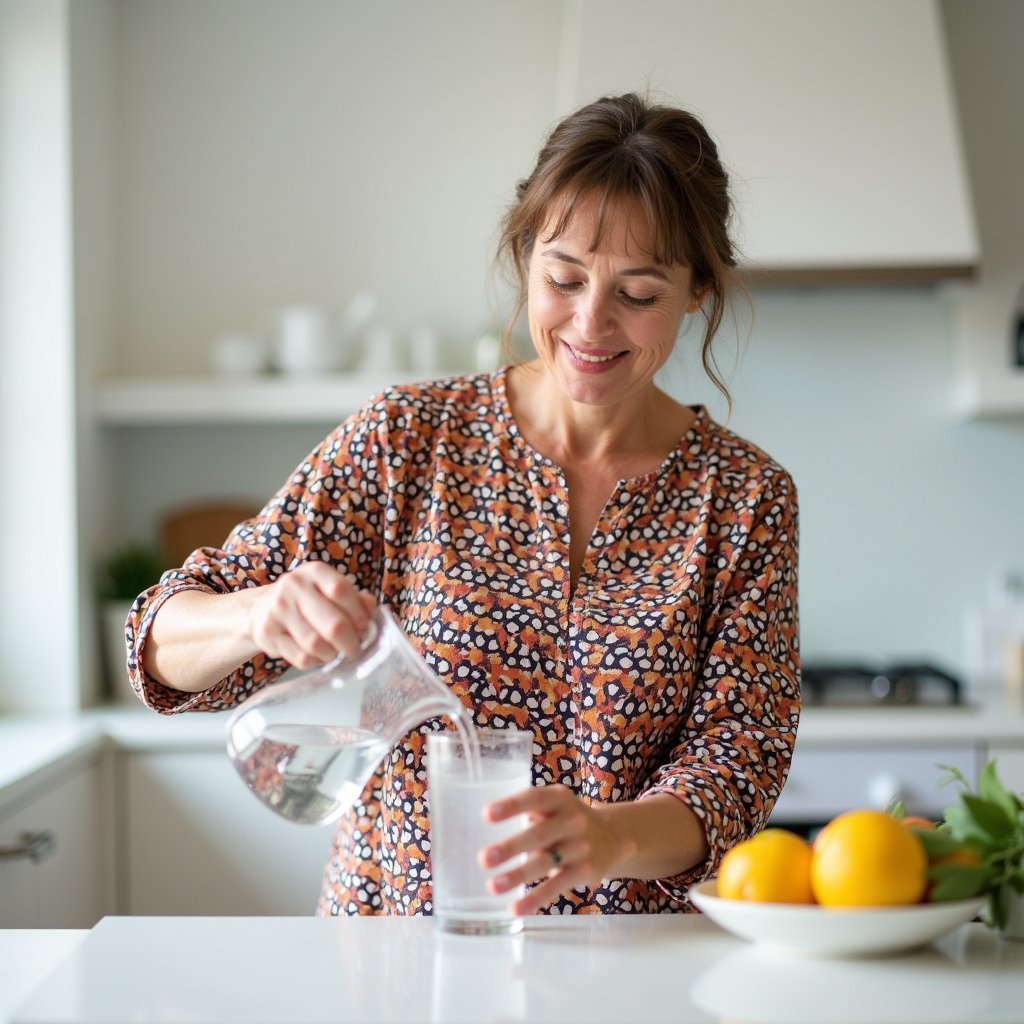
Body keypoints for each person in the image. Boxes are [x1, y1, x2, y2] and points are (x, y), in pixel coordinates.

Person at [127, 92, 800, 917]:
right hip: (394, 956)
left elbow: (739, 760)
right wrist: (256, 614)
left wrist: (612, 836)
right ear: (526, 258)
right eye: (564, 278)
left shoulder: (743, 499)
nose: (591, 322)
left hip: (632, 970)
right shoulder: (406, 441)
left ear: (697, 291)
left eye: (639, 292)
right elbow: (157, 640)